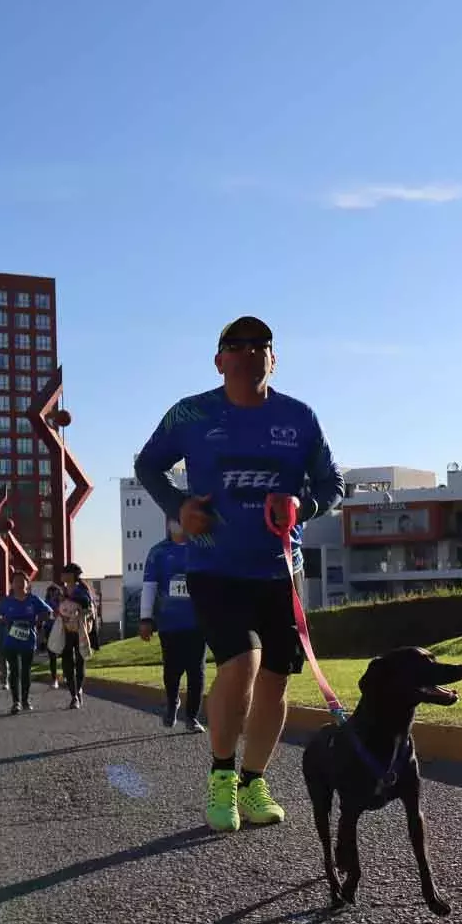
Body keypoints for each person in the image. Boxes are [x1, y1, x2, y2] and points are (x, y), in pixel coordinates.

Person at [133, 314, 345, 833]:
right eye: (237, 344)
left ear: (273, 359)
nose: (250, 351)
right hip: (214, 565)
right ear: (219, 359)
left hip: (277, 570)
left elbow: (333, 482)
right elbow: (147, 465)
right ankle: (221, 776)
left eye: (261, 345)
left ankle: (253, 782)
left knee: (275, 678)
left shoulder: (300, 419)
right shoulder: (192, 413)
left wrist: (305, 502)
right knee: (243, 661)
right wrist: (179, 506)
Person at [139, 520, 208, 733]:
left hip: (198, 621)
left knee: (196, 670)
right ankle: (172, 702)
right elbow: (149, 587)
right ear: (169, 524)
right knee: (172, 669)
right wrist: (145, 619)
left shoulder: (202, 547)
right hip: (169, 622)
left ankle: (192, 717)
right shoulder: (158, 552)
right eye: (176, 520)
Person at [0, 572, 51, 714]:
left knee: (25, 672)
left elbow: (48, 612)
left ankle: (25, 700)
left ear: (27, 584)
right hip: (10, 641)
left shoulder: (33, 600)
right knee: (14, 671)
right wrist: (3, 621)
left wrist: (38, 622)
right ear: (11, 584)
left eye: (22, 581)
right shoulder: (7, 602)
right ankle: (16, 702)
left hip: (28, 640)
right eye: (16, 581)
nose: (19, 584)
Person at [52, 563, 94, 709]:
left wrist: (73, 605)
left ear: (72, 575)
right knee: (67, 663)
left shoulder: (82, 590)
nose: (62, 575)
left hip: (79, 631)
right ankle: (74, 695)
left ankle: (79, 689)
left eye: (65, 573)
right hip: (65, 631)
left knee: (80, 661)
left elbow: (88, 607)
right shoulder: (61, 591)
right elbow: (55, 608)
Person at [41, 578, 65, 690]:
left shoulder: (62, 602)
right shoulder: (45, 603)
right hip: (50, 630)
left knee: (65, 653)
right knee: (52, 656)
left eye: (55, 592)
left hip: (61, 630)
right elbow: (43, 617)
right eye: (51, 592)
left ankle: (65, 675)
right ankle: (54, 679)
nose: (53, 594)